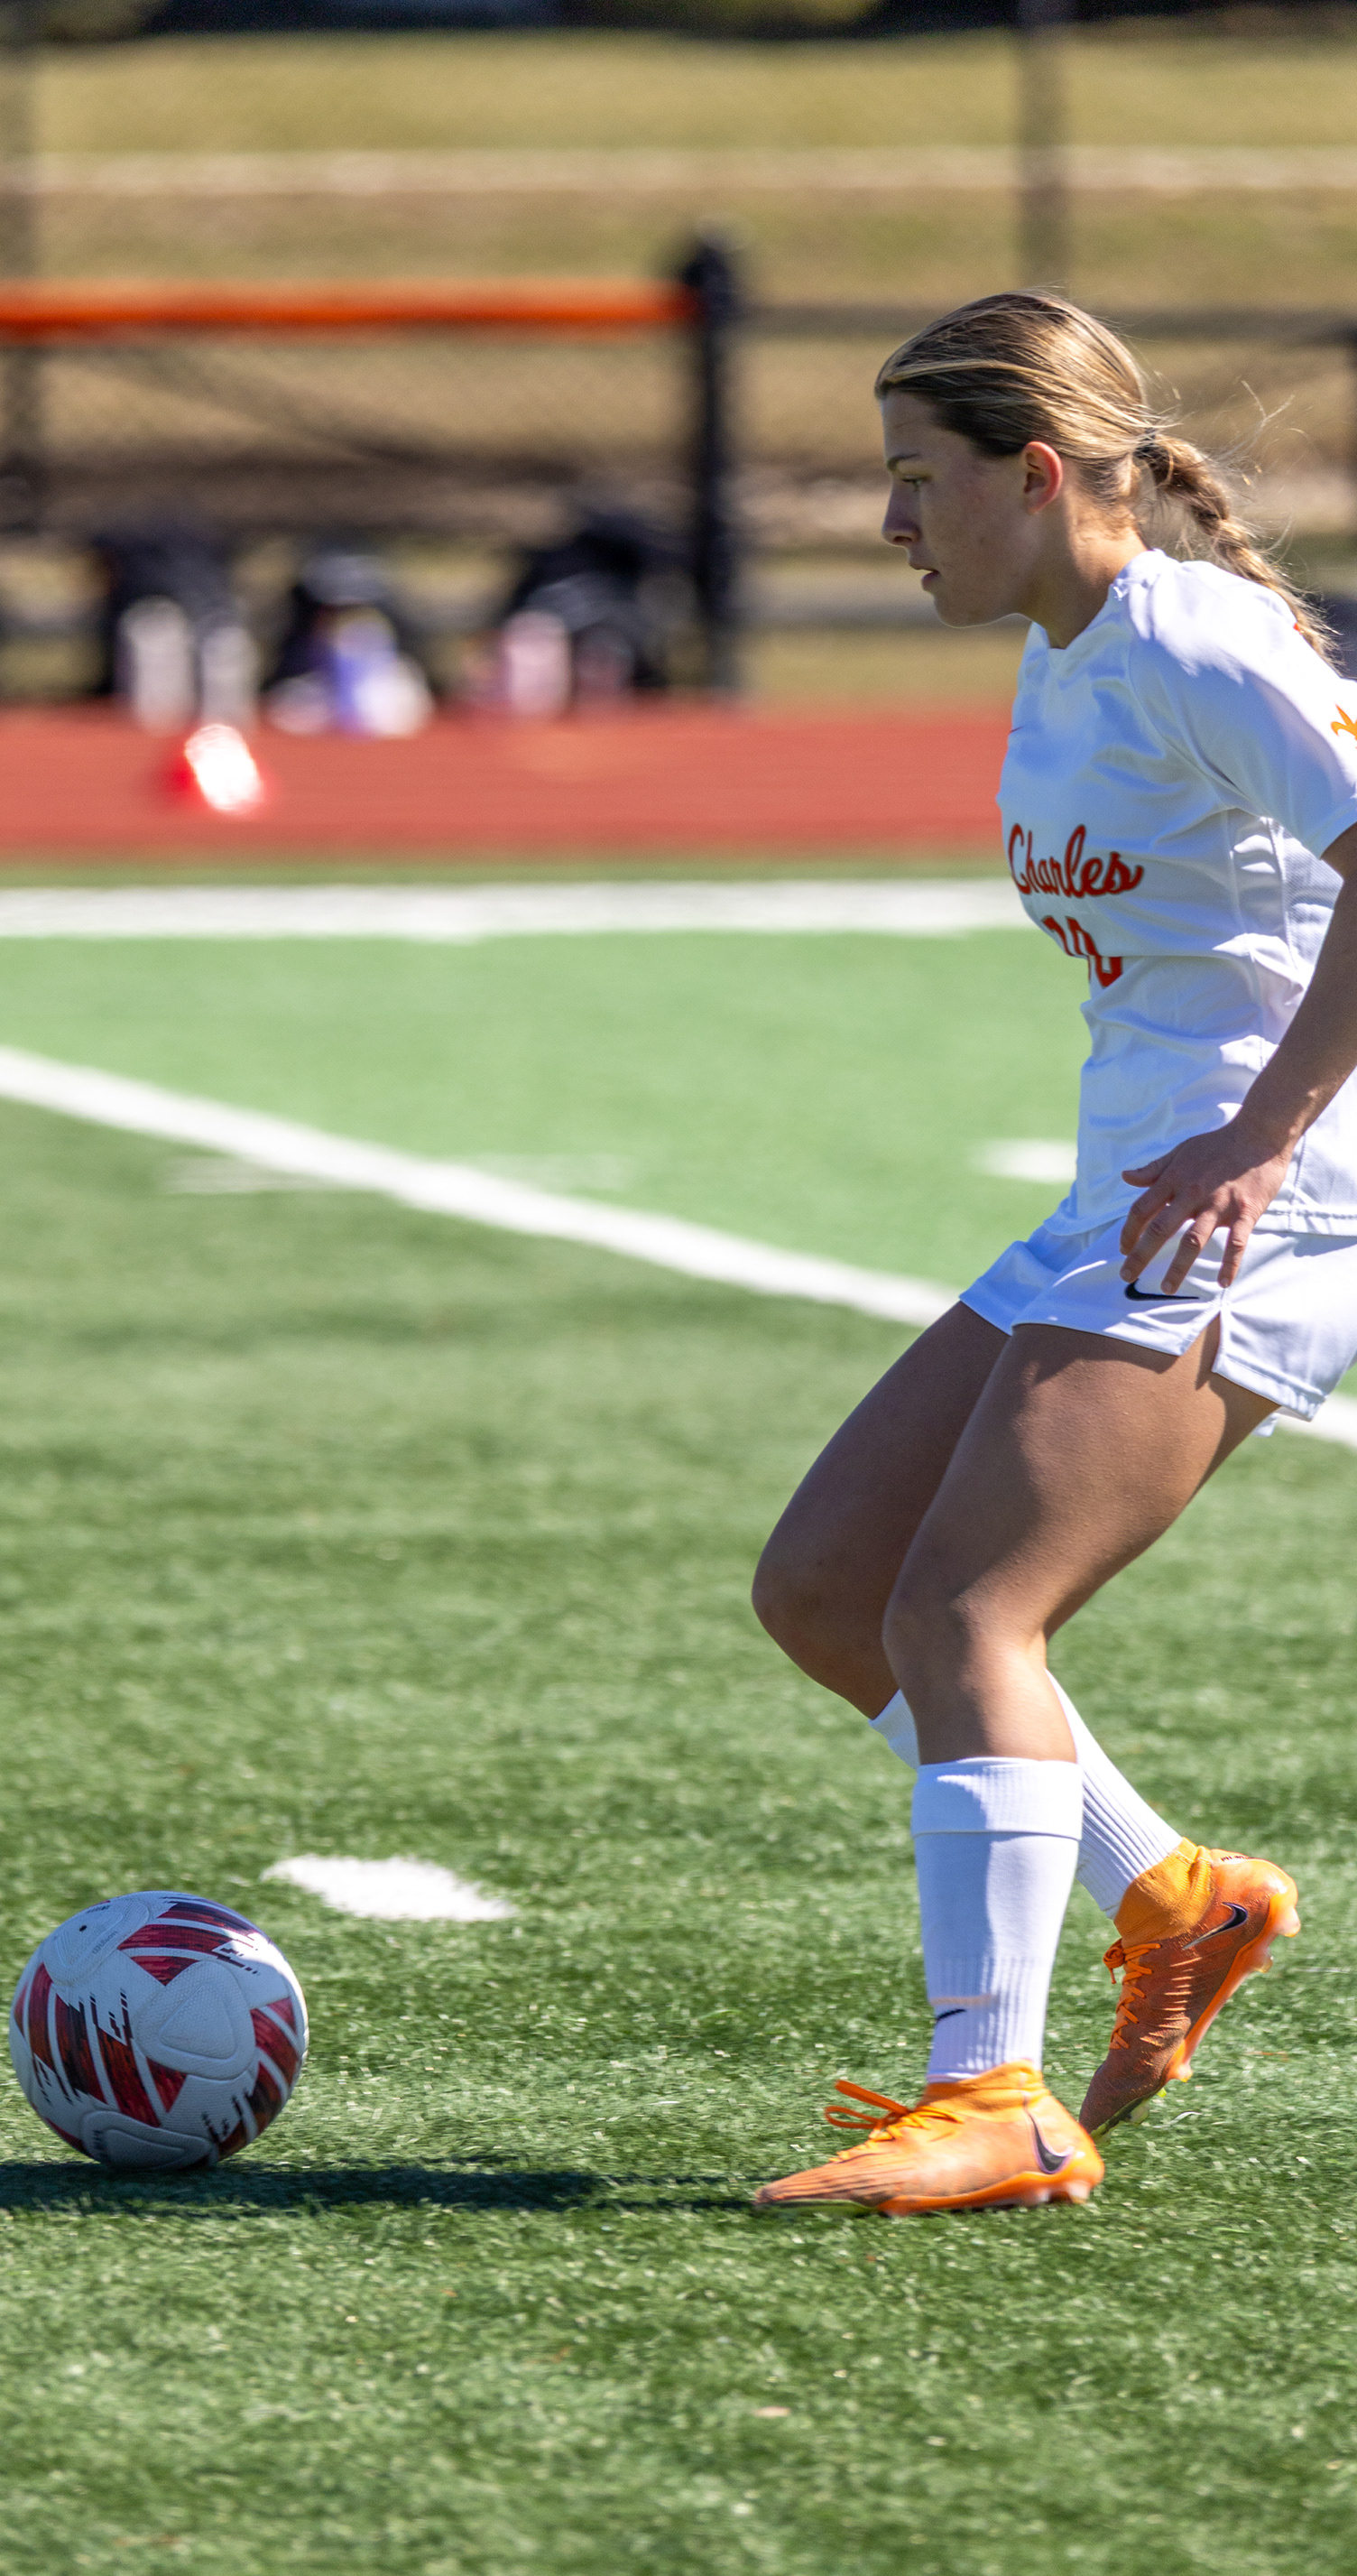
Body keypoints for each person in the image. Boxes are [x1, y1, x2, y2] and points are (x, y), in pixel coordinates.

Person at [749, 289, 1357, 2216]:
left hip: (1271, 1198)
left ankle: (992, 2098)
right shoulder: (1067, 645)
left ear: (1031, 475)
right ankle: (1175, 1896)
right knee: (832, 1590)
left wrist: (1266, 1135)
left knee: (966, 1612)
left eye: (913, 479)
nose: (888, 523)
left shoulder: (1192, 639)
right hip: (1135, 1194)